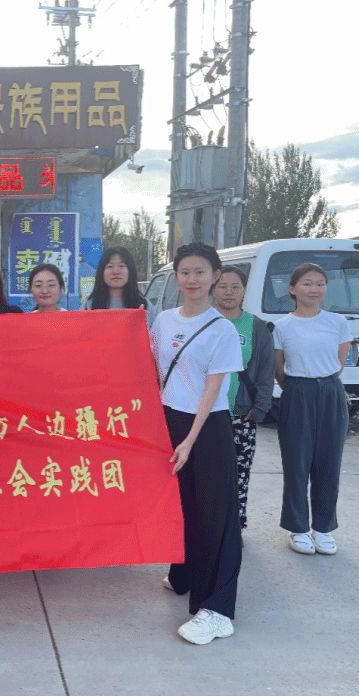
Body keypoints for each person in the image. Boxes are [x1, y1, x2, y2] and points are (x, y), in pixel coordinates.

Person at [150, 242, 243, 646]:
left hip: (206, 428)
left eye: (200, 272)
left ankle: (217, 610)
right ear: (176, 276)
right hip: (169, 420)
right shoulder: (164, 321)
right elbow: (152, 372)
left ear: (215, 276)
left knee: (214, 515)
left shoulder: (222, 329)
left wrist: (189, 441)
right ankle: (184, 573)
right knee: (181, 506)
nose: (191, 279)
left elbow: (212, 390)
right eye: (185, 272)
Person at [273, 263, 352, 556]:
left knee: (329, 463)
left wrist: (321, 383)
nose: (314, 289)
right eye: (307, 283)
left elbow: (339, 364)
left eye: (320, 283)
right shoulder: (281, 327)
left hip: (330, 392)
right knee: (296, 463)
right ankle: (298, 528)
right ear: (292, 289)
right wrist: (298, 388)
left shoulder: (337, 322)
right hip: (296, 392)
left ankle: (323, 528)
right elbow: (279, 369)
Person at [213, 266, 275, 534]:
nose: (229, 292)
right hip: (204, 414)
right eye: (222, 286)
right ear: (213, 289)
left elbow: (266, 372)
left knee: (238, 475)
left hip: (240, 415)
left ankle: (234, 528)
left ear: (244, 290)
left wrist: (259, 409)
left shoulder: (256, 327)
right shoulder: (203, 321)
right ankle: (207, 528)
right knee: (206, 474)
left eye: (235, 286)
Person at [82, 246, 156, 331]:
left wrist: (140, 325)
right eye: (109, 266)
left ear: (130, 271)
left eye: (121, 266)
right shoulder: (89, 306)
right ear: (101, 272)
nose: (116, 271)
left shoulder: (144, 306)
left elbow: (153, 338)